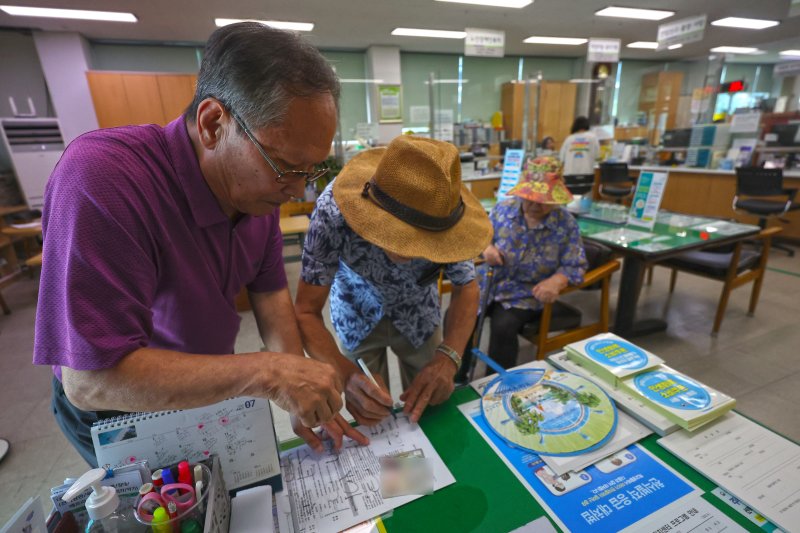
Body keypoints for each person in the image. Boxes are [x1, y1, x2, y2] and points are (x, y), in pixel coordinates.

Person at [32, 22, 363, 466]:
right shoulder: (103, 178)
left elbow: (270, 297)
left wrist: (295, 387)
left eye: (313, 170)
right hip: (119, 411)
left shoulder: (257, 193)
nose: (299, 191)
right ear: (213, 124)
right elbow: (92, 381)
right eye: (286, 166)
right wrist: (269, 373)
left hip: (210, 386)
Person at [294, 135, 493, 443]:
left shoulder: (447, 214)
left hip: (419, 317)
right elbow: (306, 310)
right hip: (354, 313)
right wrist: (344, 374)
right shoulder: (335, 209)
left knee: (433, 404)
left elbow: (467, 287)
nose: (408, 252)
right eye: (397, 236)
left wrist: (449, 357)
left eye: (424, 242)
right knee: (371, 414)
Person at [479, 156, 588, 370]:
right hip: (489, 282)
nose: (535, 205)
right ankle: (457, 378)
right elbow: (481, 237)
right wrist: (486, 248)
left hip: (525, 292)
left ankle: (496, 383)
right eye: (530, 197)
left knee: (503, 326)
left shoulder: (566, 224)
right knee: (459, 317)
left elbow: (575, 263)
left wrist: (557, 280)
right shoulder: (502, 210)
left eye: (543, 200)